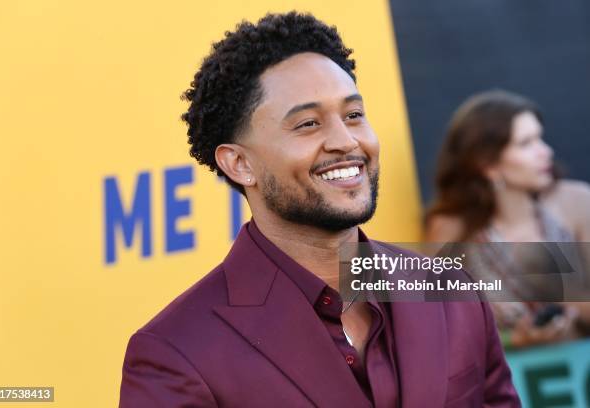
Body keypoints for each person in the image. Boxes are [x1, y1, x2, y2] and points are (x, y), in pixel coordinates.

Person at [119, 13, 520, 407]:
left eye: (353, 115)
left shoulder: (452, 293)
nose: (346, 141)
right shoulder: (177, 354)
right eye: (308, 124)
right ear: (239, 164)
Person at [425, 89, 590, 349]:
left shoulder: (576, 201)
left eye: (540, 139)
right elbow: (444, 333)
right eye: (526, 144)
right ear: (487, 164)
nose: (545, 151)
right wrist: (515, 340)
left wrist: (568, 302)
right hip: (513, 380)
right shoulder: (451, 229)